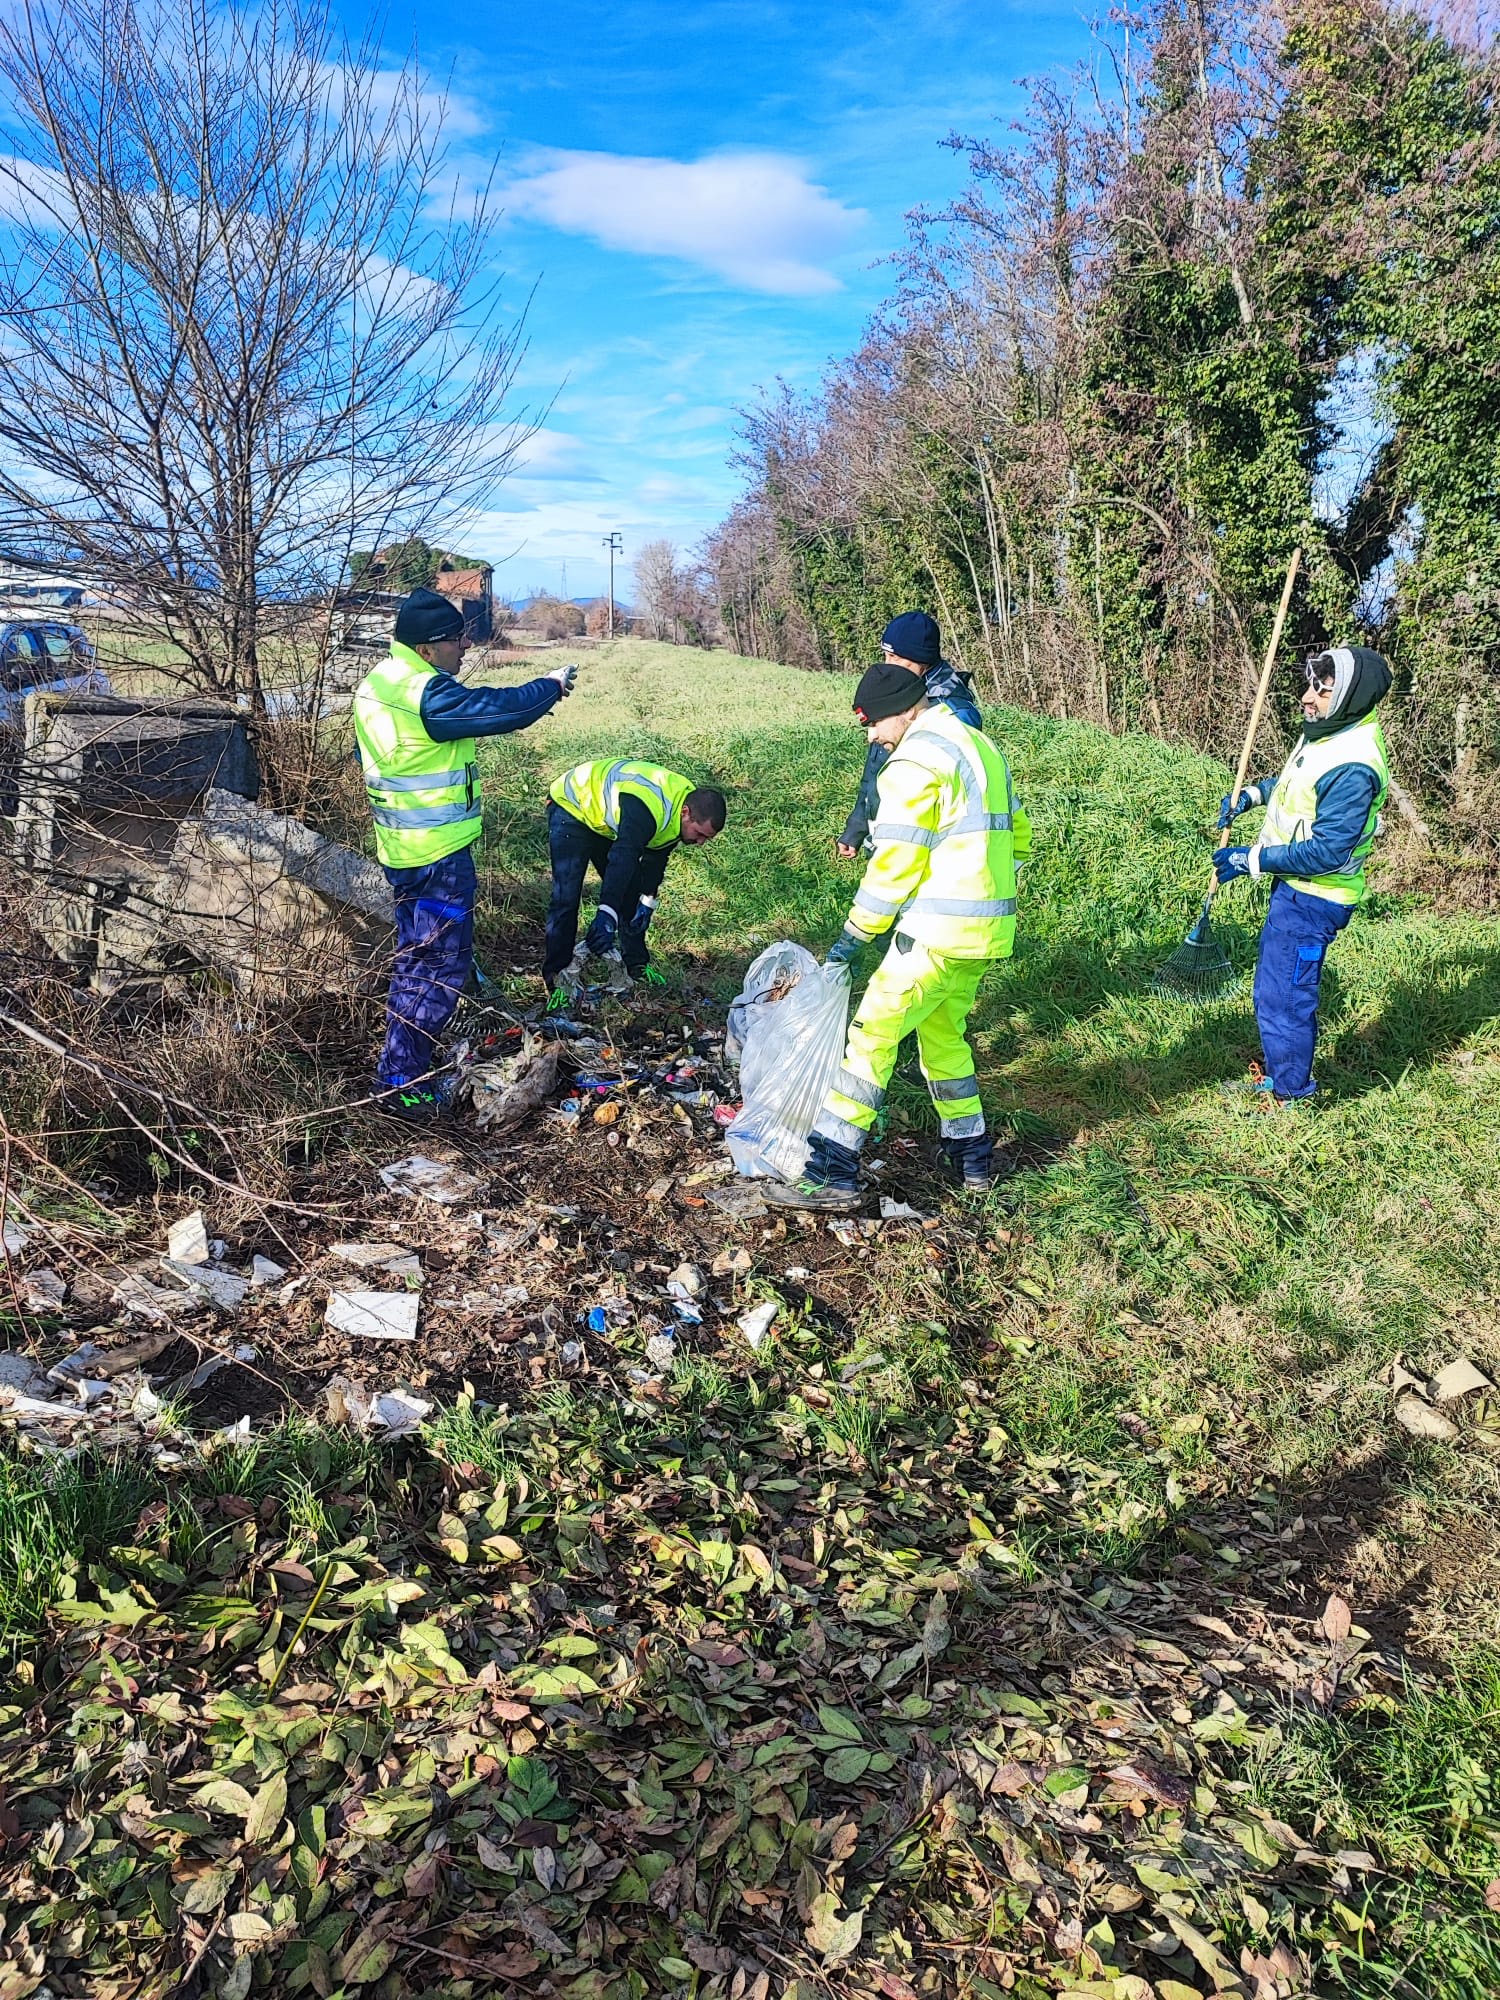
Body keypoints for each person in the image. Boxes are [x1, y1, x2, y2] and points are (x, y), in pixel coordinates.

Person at [766, 660, 1031, 1212]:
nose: (871, 736)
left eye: (871, 724)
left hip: (936, 930)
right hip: (985, 930)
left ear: (900, 712)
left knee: (871, 1037)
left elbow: (895, 867)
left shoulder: (913, 761)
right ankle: (972, 1155)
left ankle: (831, 1169)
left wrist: (852, 937)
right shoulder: (978, 746)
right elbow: (1019, 837)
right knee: (944, 1037)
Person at [352, 586, 575, 1121]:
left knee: (416, 960)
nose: (462, 650)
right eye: (455, 642)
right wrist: (548, 686)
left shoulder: (381, 681)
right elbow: (495, 709)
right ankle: (403, 1084)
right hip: (437, 856)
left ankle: (400, 1068)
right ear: (428, 648)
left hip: (405, 849)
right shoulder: (421, 691)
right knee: (435, 969)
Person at [1214, 644, 1392, 1105]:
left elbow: (1330, 851)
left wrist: (1252, 860)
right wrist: (1253, 795)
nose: (1307, 697)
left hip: (1316, 897)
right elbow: (1296, 786)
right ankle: (1279, 1073)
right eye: (1311, 685)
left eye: (1323, 690)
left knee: (1285, 997)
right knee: (1274, 987)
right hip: (1294, 888)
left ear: (1351, 697)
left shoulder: (1354, 763)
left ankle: (1292, 1095)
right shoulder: (1328, 734)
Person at [544, 758, 727, 995]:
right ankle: (556, 980)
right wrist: (606, 913)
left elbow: (656, 857)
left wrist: (647, 900)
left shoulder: (680, 810)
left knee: (631, 895)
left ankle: (636, 968)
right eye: (700, 834)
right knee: (566, 897)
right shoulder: (650, 807)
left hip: (604, 819)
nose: (700, 843)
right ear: (686, 813)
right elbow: (623, 857)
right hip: (572, 805)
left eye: (707, 839)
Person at [837, 610, 981, 858]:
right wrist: (857, 827)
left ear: (922, 663)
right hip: (891, 835)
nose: (887, 664)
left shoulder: (955, 712)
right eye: (885, 655)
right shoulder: (895, 696)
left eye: (894, 657)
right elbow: (876, 768)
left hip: (925, 848)